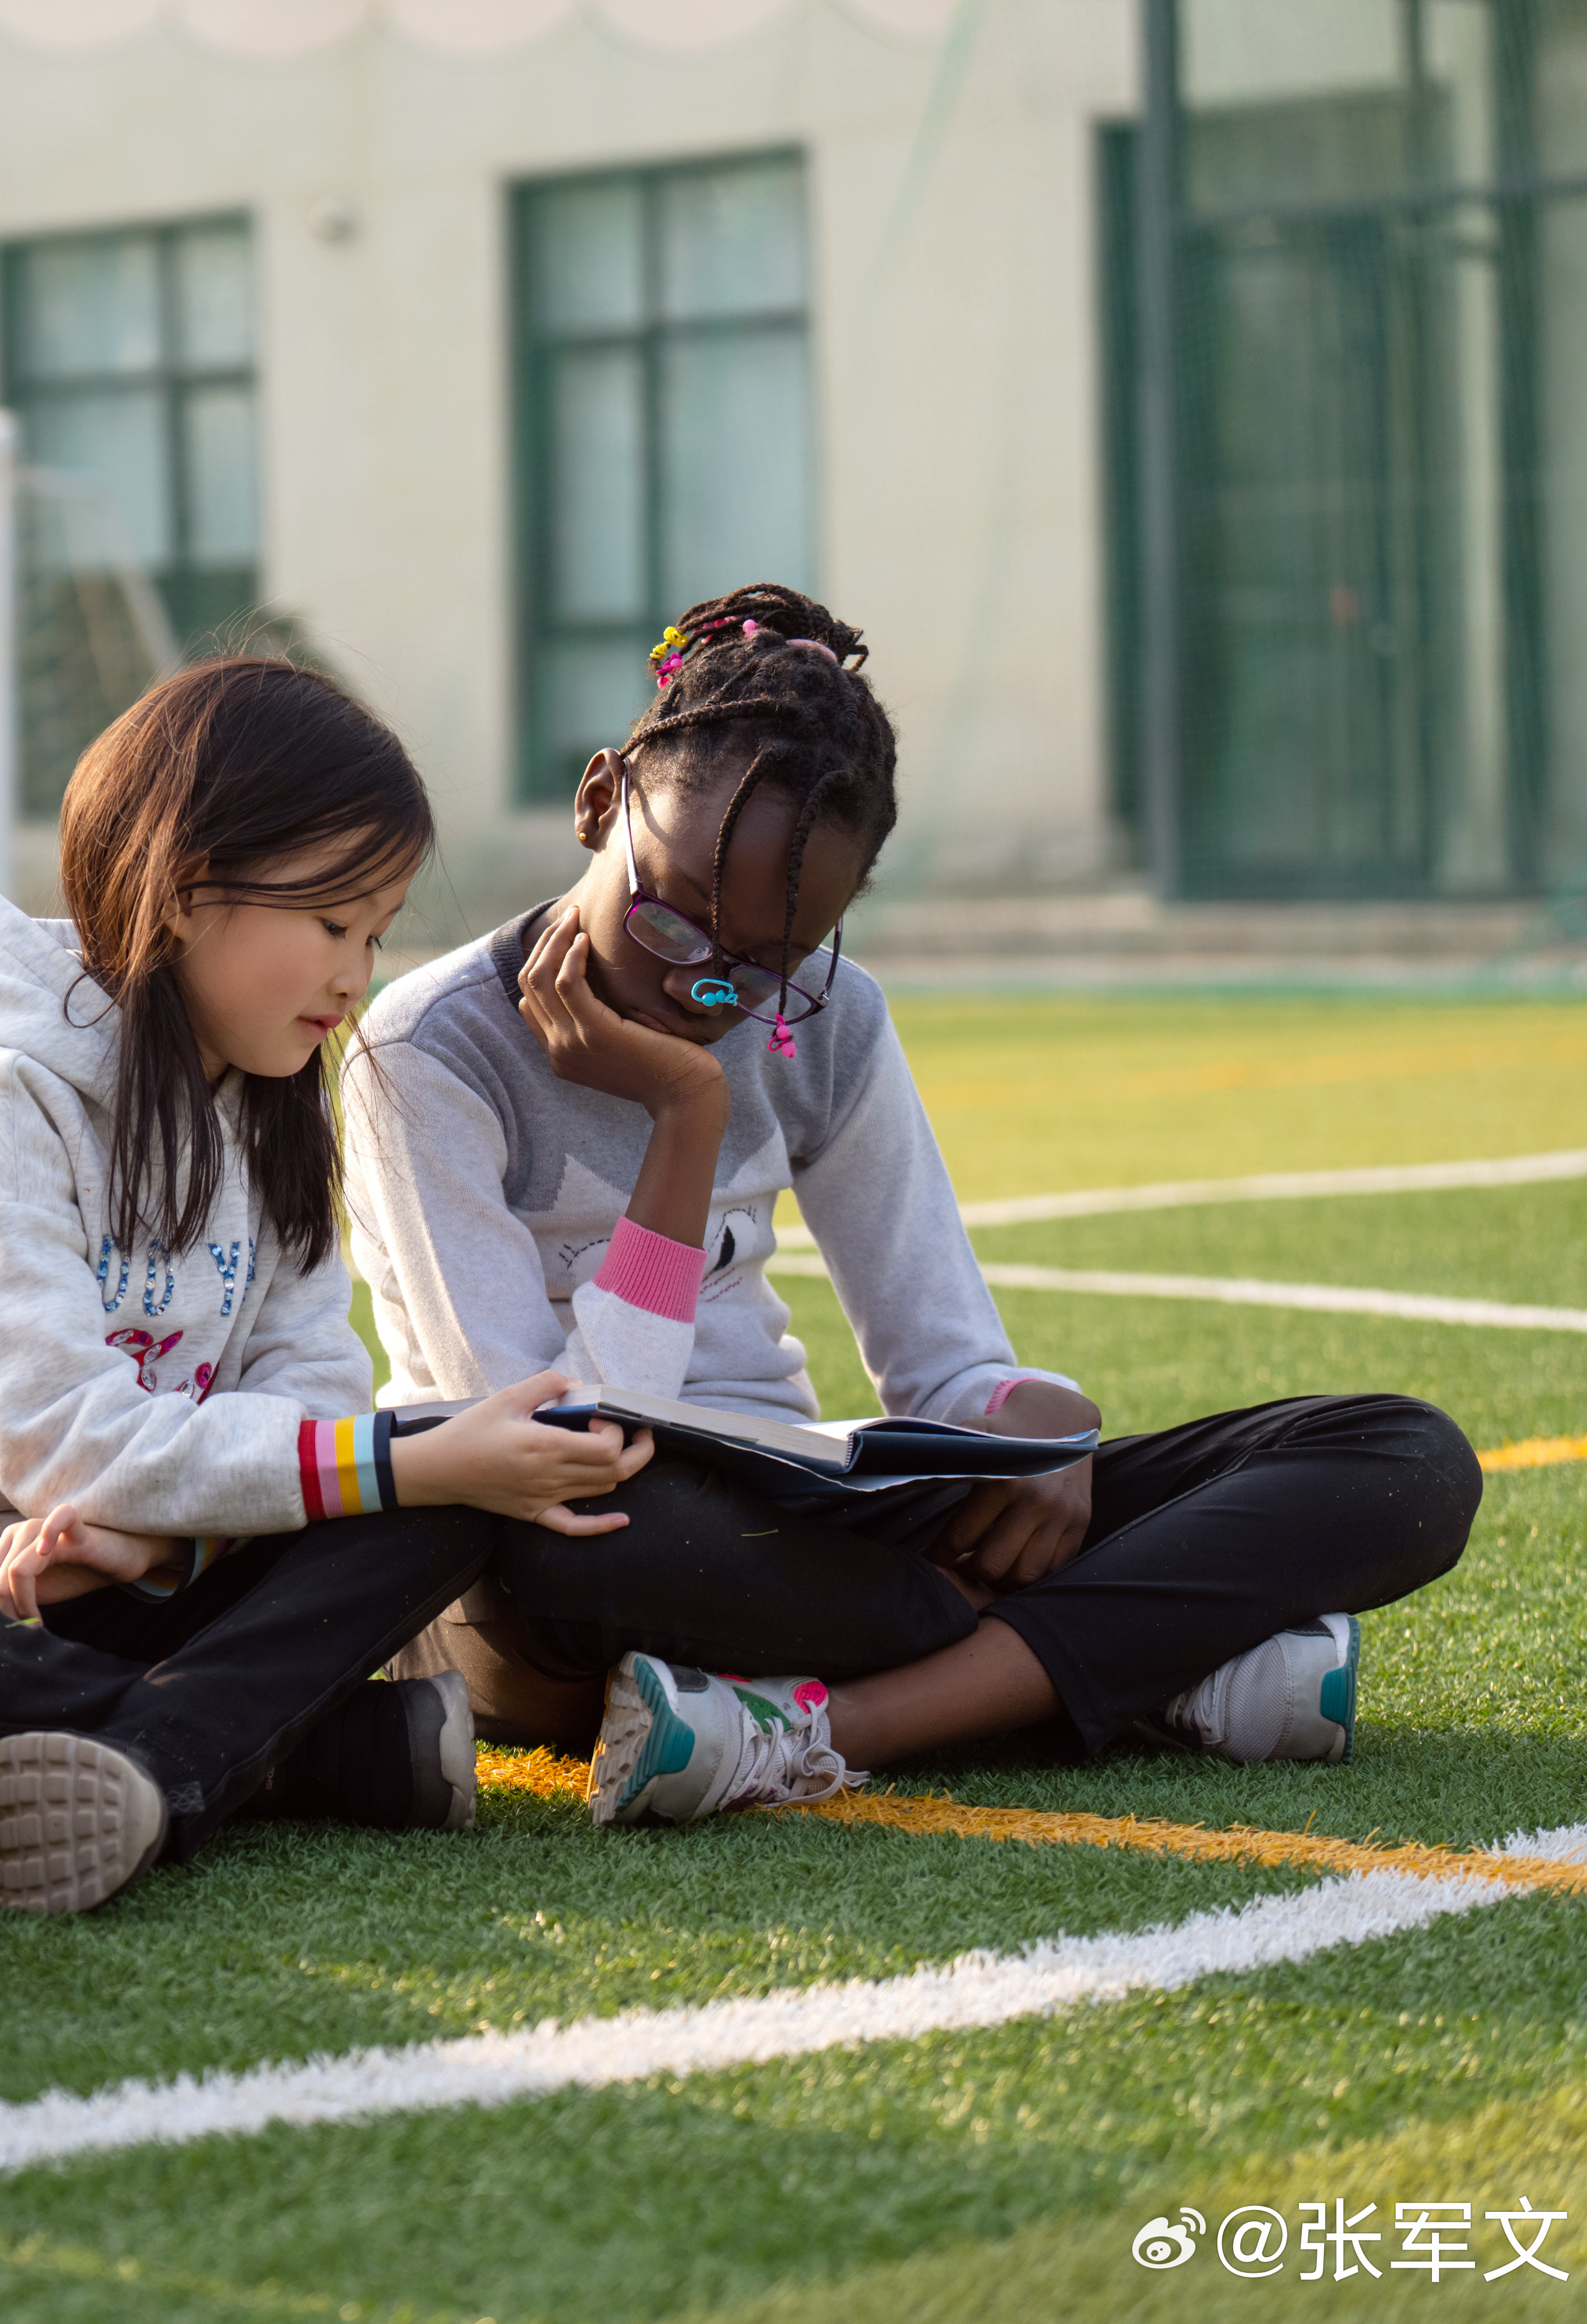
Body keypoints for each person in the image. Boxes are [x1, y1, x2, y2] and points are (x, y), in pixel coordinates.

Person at [344, 584, 1480, 1826]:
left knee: (1400, 1459)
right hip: (564, 1551)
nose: (701, 991)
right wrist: (684, 1121)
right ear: (601, 799)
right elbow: (553, 1446)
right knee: (596, 1540)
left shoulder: (831, 1023)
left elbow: (942, 1365)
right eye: (669, 916)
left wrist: (1022, 1432)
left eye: (761, 973)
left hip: (809, 1517)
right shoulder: (425, 1053)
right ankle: (1139, 1664)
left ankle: (822, 1722)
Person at [0, 658, 654, 1915]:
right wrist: (172, 1506)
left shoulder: (273, 1104)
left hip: (124, 1571)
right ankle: (284, 1755)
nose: (356, 975)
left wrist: (166, 1546)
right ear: (186, 896)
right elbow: (64, 1444)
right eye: (331, 922)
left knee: (446, 1470)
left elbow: (316, 1383)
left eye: (378, 930)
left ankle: (118, 1767)